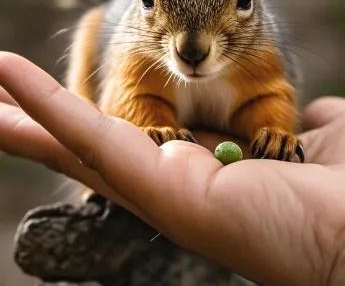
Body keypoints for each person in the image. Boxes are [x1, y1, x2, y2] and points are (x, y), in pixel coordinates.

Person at [0, 51, 344, 285]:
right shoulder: (138, 53)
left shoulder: (258, 53)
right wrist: (149, 120)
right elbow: (130, 90)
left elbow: (272, 94)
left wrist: (333, 247)